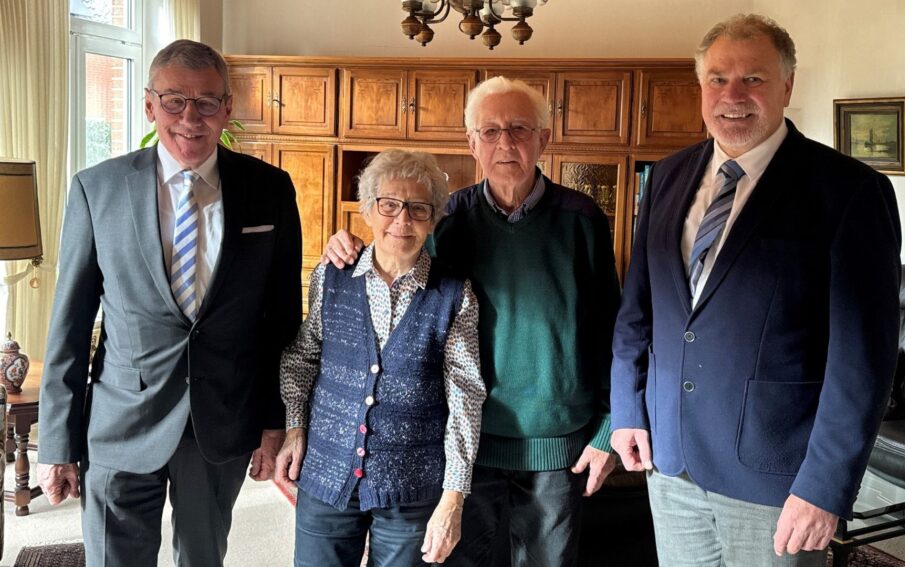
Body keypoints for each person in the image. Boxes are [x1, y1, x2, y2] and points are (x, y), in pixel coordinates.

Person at [609, 14, 901, 567]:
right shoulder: (667, 176)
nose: (733, 95)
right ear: (701, 87)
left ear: (787, 86)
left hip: (775, 481)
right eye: (718, 79)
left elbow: (862, 361)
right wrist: (628, 409)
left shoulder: (850, 192)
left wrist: (824, 486)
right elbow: (637, 313)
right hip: (669, 464)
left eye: (755, 79)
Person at [324, 77, 620, 566]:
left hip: (556, 444)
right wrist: (349, 245)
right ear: (471, 142)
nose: (505, 143)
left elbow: (614, 330)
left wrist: (609, 428)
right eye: (490, 131)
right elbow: (399, 280)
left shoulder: (582, 217)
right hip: (466, 445)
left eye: (519, 129)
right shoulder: (449, 219)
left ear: (543, 139)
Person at [37, 40, 302, 567]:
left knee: (203, 558)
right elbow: (68, 327)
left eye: (206, 102)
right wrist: (56, 443)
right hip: (120, 423)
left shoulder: (269, 189)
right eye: (175, 100)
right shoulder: (98, 189)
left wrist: (276, 421)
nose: (190, 117)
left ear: (227, 108)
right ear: (148, 105)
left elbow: (281, 321)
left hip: (221, 420)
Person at [274, 150, 486, 566]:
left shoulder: (455, 295)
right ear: (368, 210)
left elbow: (466, 401)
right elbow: (301, 359)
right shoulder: (330, 275)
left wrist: (453, 499)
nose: (402, 220)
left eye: (418, 208)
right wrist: (295, 428)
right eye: (388, 204)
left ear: (434, 218)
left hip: (412, 489)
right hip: (326, 475)